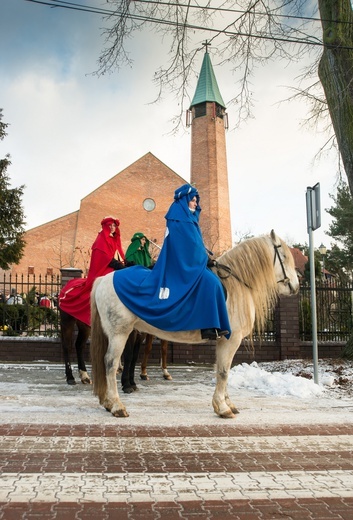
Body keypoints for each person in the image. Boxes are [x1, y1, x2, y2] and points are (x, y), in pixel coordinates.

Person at [113, 184, 231, 340]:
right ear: (185, 200)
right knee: (212, 283)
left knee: (213, 281)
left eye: (196, 201)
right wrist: (203, 259)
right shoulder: (179, 220)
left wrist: (204, 256)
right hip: (182, 265)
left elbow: (195, 244)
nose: (196, 204)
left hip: (191, 263)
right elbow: (185, 247)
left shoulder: (188, 219)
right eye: (193, 200)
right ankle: (208, 327)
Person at [59, 216, 126, 326]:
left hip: (115, 271)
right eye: (110, 225)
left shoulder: (114, 240)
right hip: (104, 272)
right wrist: (121, 267)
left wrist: (129, 264)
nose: (113, 227)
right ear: (105, 226)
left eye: (114, 226)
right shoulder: (101, 240)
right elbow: (106, 259)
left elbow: (120, 257)